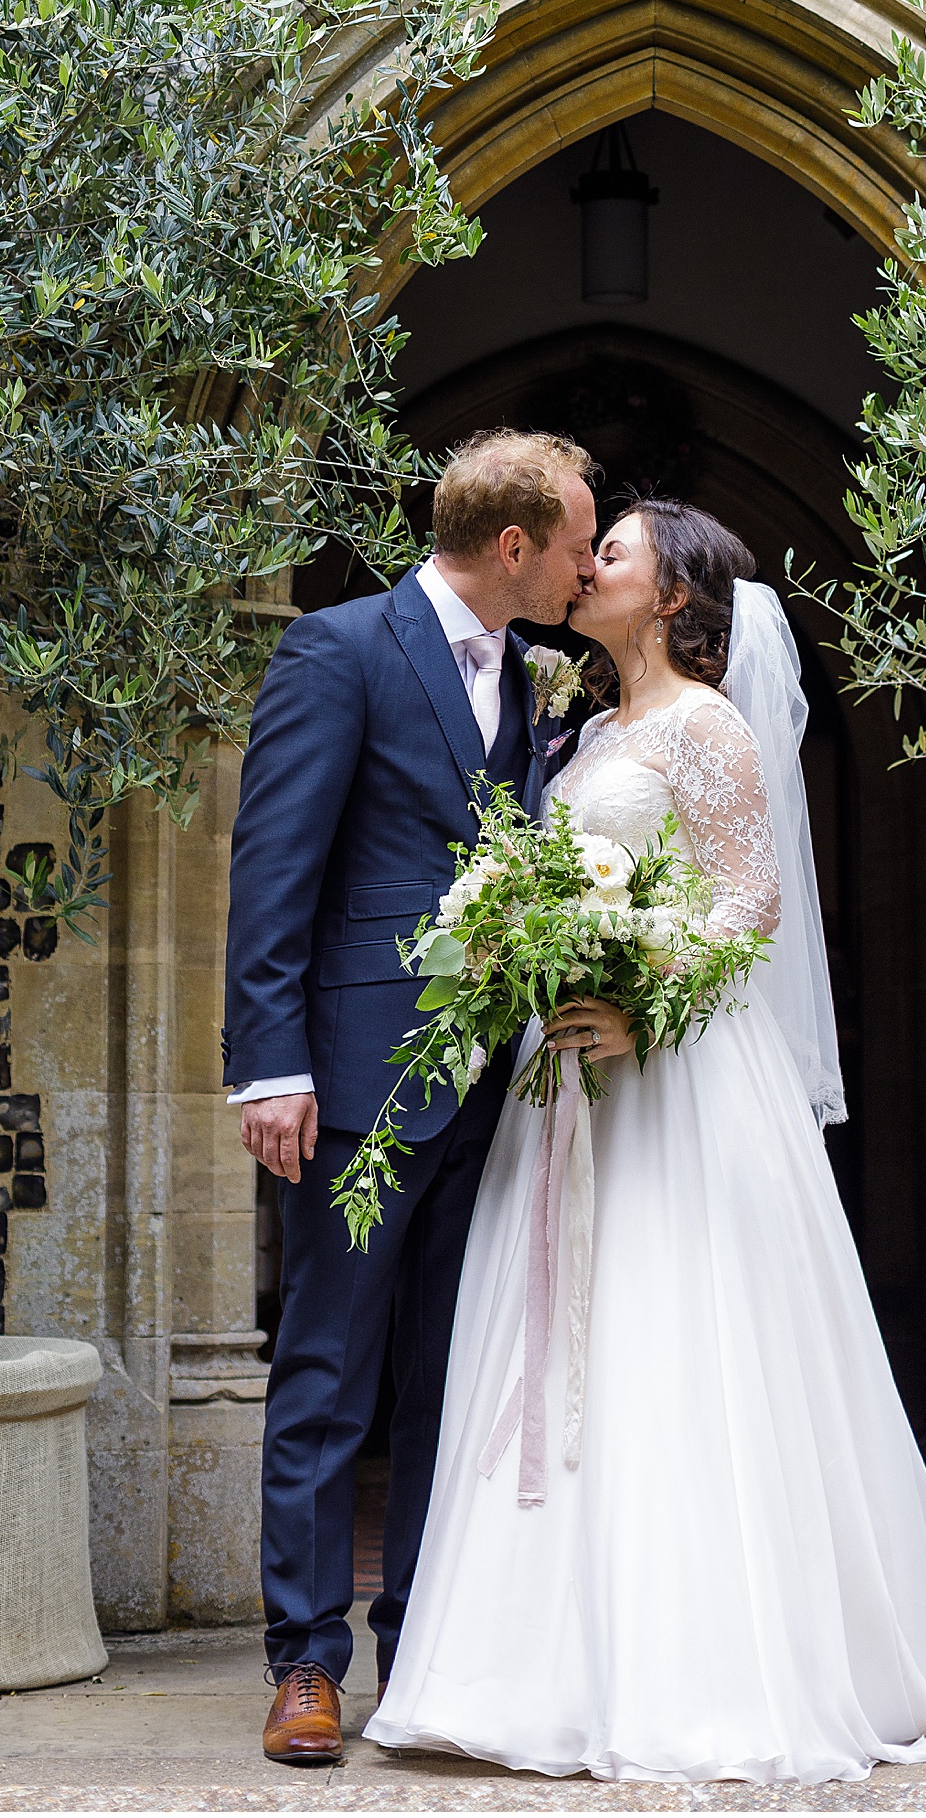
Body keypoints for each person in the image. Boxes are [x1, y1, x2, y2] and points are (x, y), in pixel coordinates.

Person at [363, 500, 926, 1784]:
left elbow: (751, 894)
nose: (586, 564)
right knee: (554, 1351)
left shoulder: (705, 726)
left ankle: (700, 1670)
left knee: (675, 1343)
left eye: (609, 550)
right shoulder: (581, 727)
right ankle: (521, 1672)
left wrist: (641, 993)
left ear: (673, 596)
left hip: (671, 1076)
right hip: (563, 1081)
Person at [223, 428, 599, 1767]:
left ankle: (426, 1645)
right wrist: (271, 1066)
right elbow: (276, 864)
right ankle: (305, 1664)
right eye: (574, 543)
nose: (586, 564)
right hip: (363, 1086)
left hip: (501, 1085)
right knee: (330, 1370)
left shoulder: (537, 680)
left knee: (454, 1377)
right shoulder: (341, 649)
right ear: (513, 546)